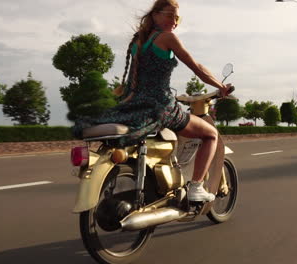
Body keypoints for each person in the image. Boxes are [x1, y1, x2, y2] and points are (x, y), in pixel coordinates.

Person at [74, 0, 232, 202]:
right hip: (161, 106)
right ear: (156, 14)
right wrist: (220, 86)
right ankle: (196, 187)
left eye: (177, 18)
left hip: (135, 104)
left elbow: (132, 79)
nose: (174, 21)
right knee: (210, 135)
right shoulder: (167, 38)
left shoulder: (138, 40)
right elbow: (196, 66)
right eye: (170, 15)